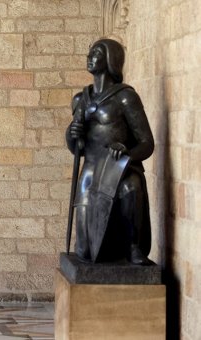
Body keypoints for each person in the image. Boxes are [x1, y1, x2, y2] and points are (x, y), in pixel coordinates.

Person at [66, 39, 154, 264]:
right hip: (90, 170)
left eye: (96, 52)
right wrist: (72, 134)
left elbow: (146, 142)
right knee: (85, 252)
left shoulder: (125, 97)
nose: (90, 56)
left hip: (118, 169)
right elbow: (77, 148)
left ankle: (133, 247)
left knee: (130, 187)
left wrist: (126, 152)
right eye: (90, 51)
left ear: (110, 58)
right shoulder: (81, 100)